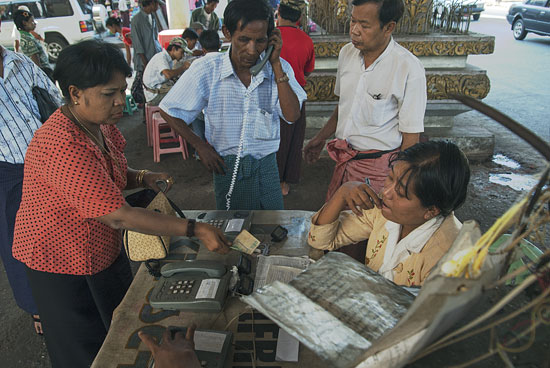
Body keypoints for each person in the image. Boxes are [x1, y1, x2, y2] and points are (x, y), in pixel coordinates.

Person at [11, 40, 230, 368]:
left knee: (117, 323)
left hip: (98, 249)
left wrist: (141, 177)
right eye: (108, 94)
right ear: (75, 93)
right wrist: (194, 228)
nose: (119, 102)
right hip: (59, 260)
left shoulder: (97, 126)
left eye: (121, 91)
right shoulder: (61, 144)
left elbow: (106, 172)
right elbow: (119, 216)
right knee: (83, 346)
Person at [160, 0, 306, 211]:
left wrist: (274, 64)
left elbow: (292, 116)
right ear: (227, 33)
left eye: (261, 41)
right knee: (234, 232)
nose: (252, 50)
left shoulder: (279, 68)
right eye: (244, 40)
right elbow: (169, 109)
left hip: (267, 167)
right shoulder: (207, 69)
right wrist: (200, 146)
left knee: (272, 228)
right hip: (227, 167)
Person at [303, 0, 427, 200]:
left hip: (379, 171)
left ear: (389, 27)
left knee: (369, 227)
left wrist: (398, 183)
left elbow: (411, 137)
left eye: (364, 25)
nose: (355, 31)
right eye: (353, 22)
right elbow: (345, 106)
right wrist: (320, 137)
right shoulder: (346, 54)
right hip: (344, 161)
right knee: (336, 224)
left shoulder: (409, 68)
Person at [308, 140, 470, 287]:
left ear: (431, 211)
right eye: (390, 178)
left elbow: (424, 316)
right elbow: (320, 241)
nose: (386, 192)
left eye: (400, 192)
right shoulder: (383, 211)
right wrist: (343, 192)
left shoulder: (449, 257)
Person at [0, 45, 63, 336]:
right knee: (16, 240)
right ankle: (37, 306)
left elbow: (53, 98)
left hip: (50, 157)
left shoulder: (20, 62)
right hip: (7, 170)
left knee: (60, 226)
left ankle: (70, 287)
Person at [276, 0, 315, 196]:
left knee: (274, 140)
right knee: (292, 140)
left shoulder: (270, 38)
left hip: (272, 93)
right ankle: (284, 182)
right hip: (297, 95)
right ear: (299, 18)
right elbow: (307, 71)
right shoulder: (306, 40)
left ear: (278, 14)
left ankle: (271, 180)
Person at [143, 37, 192, 106]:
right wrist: (184, 67)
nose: (183, 56)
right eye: (182, 52)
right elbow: (168, 74)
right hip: (154, 96)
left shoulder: (169, 60)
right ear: (174, 49)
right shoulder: (161, 57)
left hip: (159, 90)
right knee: (184, 96)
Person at [131, 0, 162, 105]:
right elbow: (138, 45)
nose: (158, 6)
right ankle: (145, 114)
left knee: (154, 87)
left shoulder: (152, 16)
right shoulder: (136, 20)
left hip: (154, 56)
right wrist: (146, 64)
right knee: (144, 89)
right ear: (151, 3)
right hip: (144, 61)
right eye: (157, 4)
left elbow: (155, 38)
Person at [13, 9, 53, 80]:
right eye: (32, 21)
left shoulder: (28, 36)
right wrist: (42, 76)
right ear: (24, 23)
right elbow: (35, 59)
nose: (34, 23)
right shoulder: (27, 39)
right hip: (44, 71)